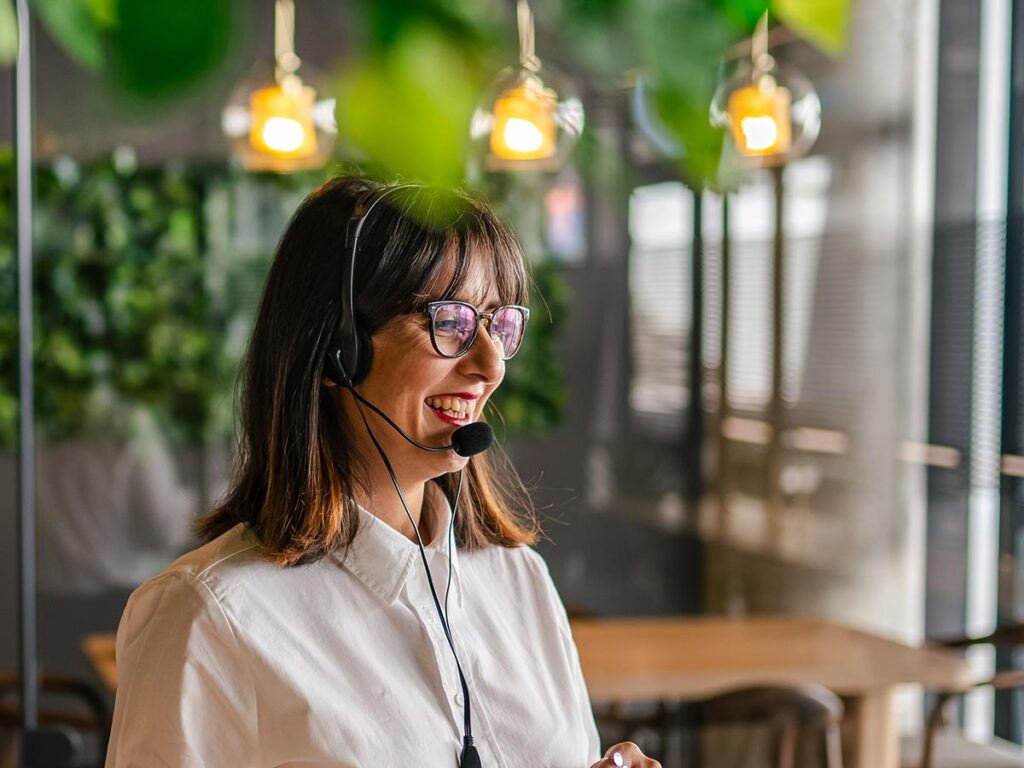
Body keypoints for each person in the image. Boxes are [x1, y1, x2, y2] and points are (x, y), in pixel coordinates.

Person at [104, 176, 660, 768]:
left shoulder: (518, 581)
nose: (490, 365)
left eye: (498, 324)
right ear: (337, 350)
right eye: (450, 322)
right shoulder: (209, 615)